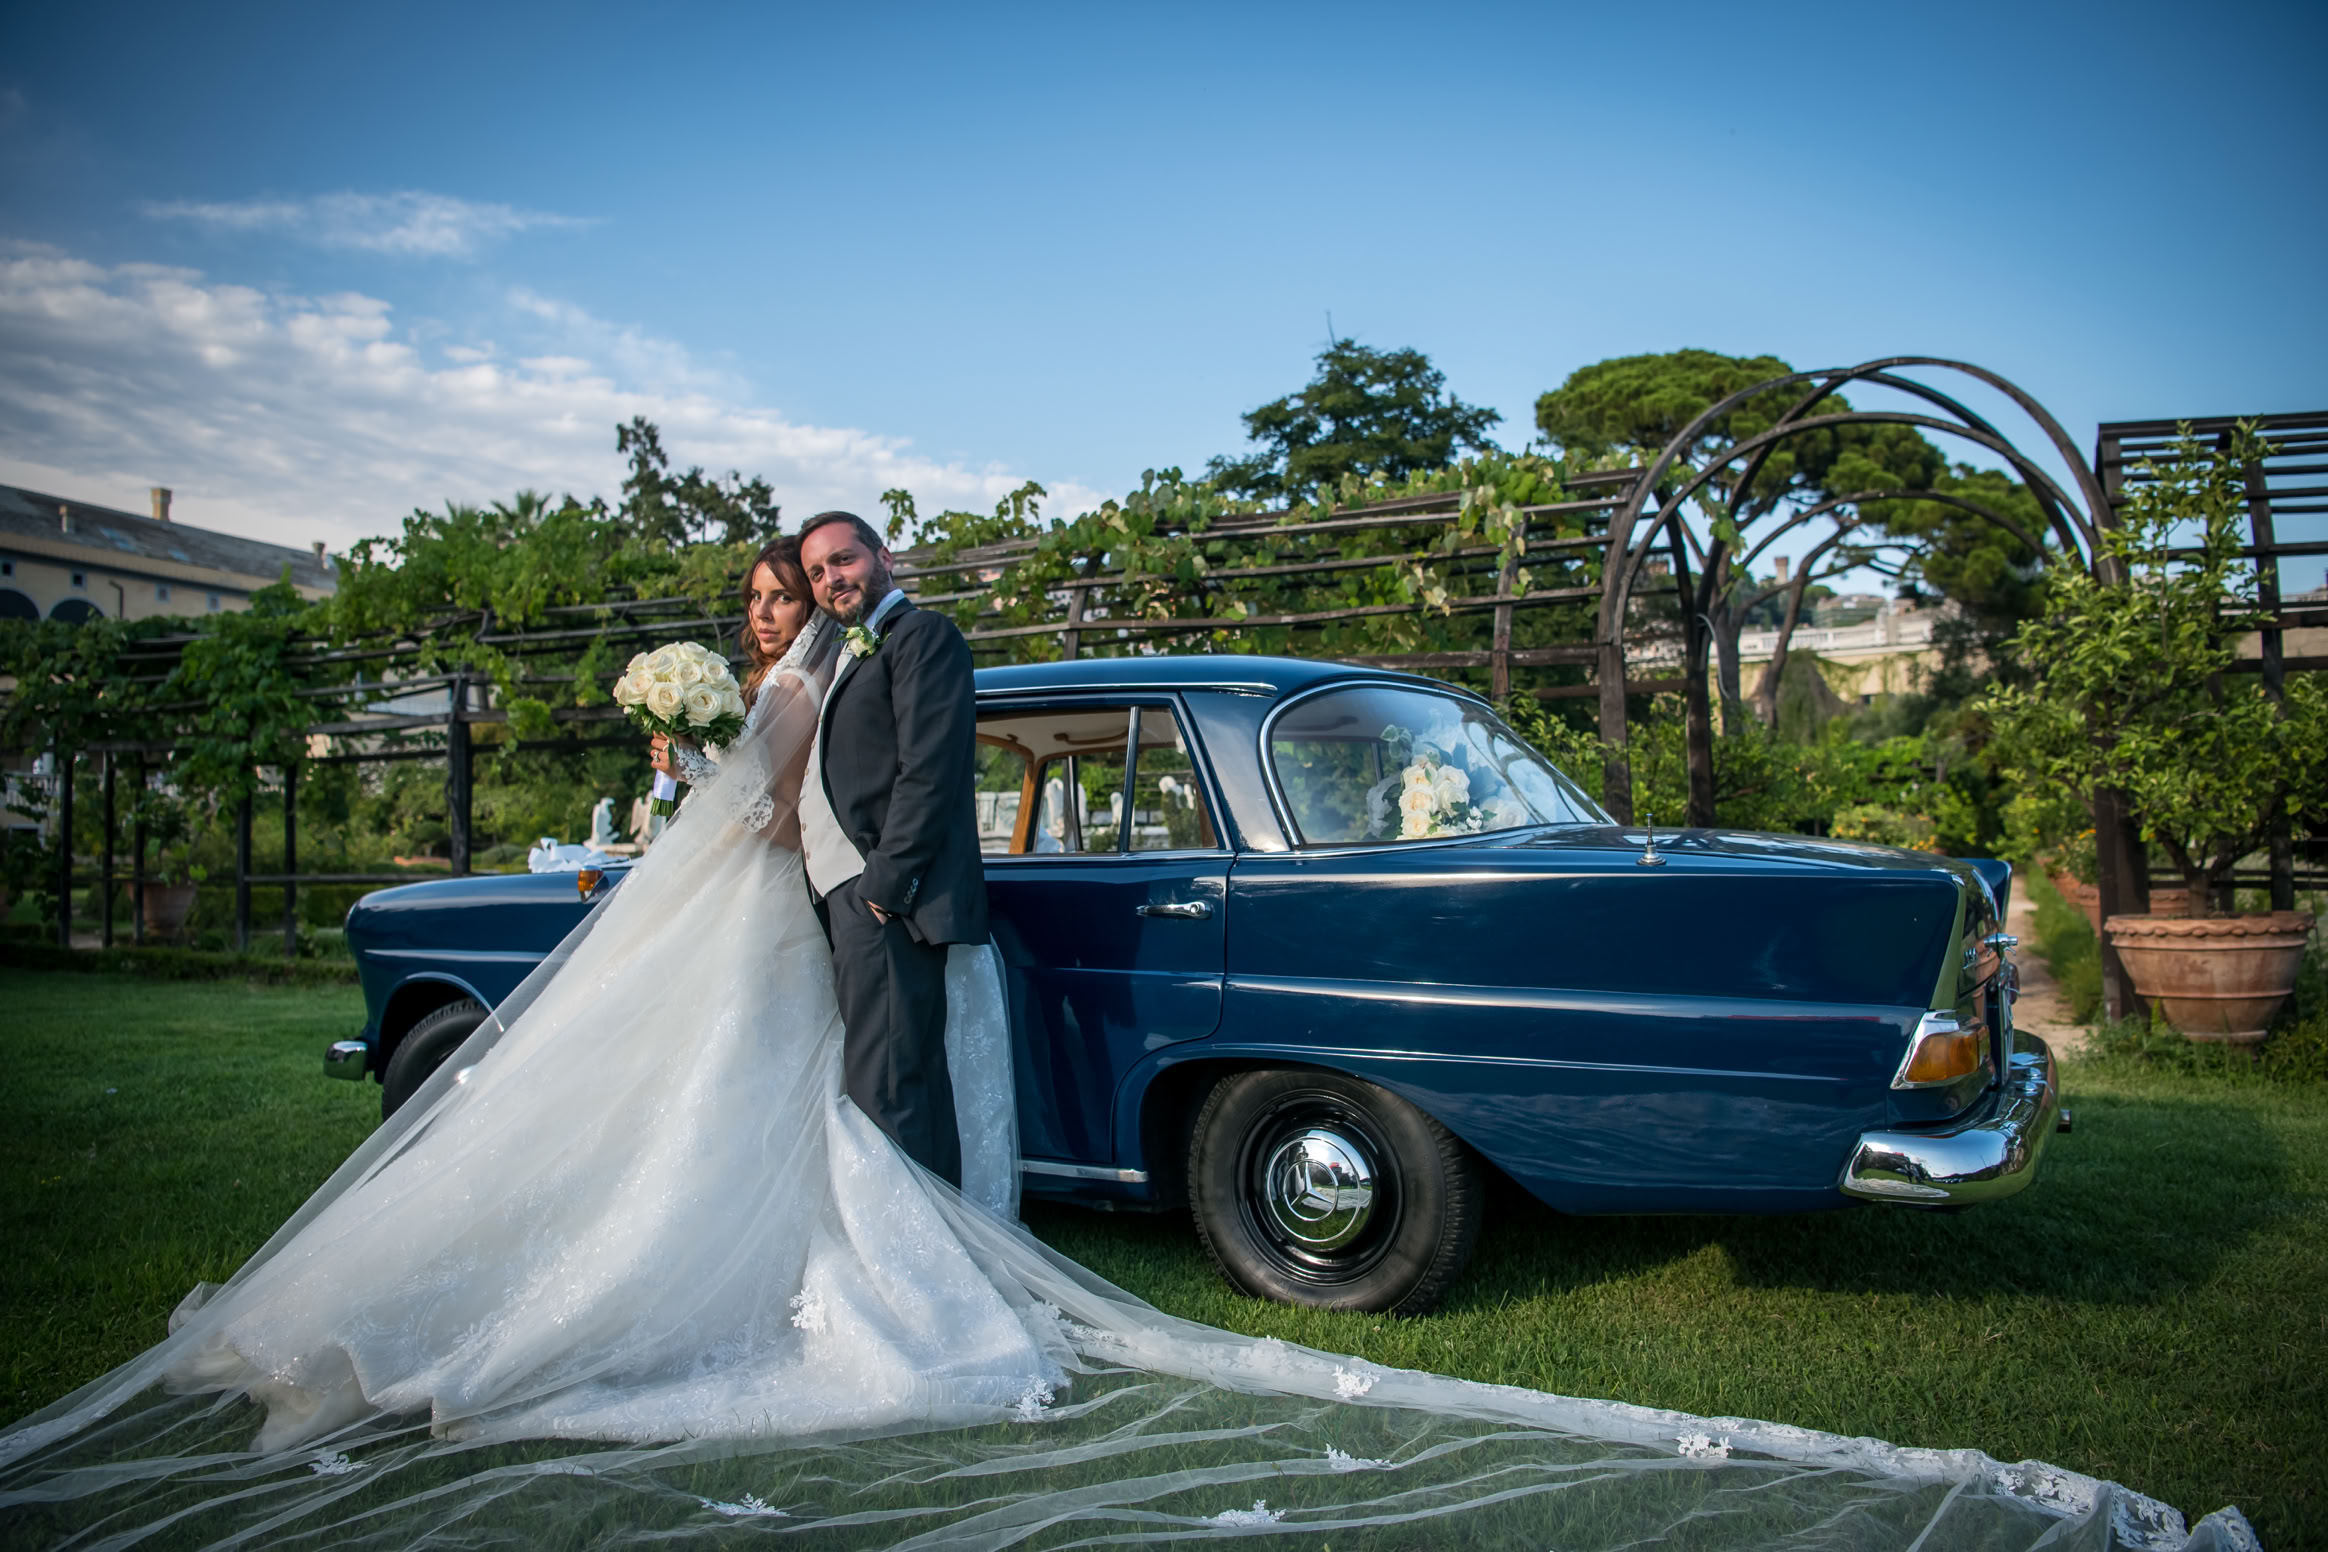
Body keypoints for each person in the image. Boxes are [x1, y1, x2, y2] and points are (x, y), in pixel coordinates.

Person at [0, 528, 2241, 1549]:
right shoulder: (843, 671)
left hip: (916, 916)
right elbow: (838, 806)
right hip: (867, 917)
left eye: (814, 585)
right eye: (795, 587)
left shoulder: (885, 673)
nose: (807, 603)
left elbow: (846, 820)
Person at [795, 510, 988, 1187]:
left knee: (887, 1089)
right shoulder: (849, 653)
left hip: (882, 899)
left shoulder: (923, 635)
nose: (830, 578)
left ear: (884, 557)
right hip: (849, 894)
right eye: (816, 572)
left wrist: (885, 885)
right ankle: (931, 1238)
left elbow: (929, 769)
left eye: (842, 560)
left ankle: (902, 1246)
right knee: (900, 1081)